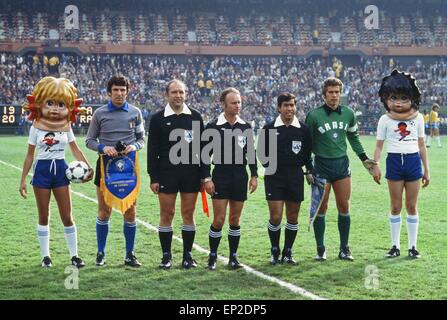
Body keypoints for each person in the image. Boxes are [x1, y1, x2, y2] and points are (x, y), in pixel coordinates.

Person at [19, 76, 93, 268]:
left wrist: (88, 167)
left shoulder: (66, 126)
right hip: (42, 171)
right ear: (39, 103)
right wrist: (23, 180)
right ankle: (45, 256)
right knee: (44, 216)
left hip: (61, 170)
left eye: (61, 104)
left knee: (67, 216)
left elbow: (75, 149)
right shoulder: (35, 128)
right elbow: (29, 155)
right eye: (49, 103)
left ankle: (74, 256)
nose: (54, 108)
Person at [305, 77, 378, 261]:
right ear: (324, 95)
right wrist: (308, 167)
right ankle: (320, 249)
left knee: (344, 206)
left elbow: (353, 138)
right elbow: (307, 144)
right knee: (322, 207)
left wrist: (364, 159)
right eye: (330, 92)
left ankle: (344, 248)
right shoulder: (314, 116)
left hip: (342, 165)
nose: (334, 95)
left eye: (337, 92)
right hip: (321, 165)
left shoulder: (349, 113)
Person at [86, 75, 145, 268]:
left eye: (123, 90)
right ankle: (101, 253)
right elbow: (89, 141)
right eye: (116, 90)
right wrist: (103, 148)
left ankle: (130, 254)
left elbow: (142, 139)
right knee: (104, 212)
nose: (119, 94)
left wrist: (135, 146)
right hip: (105, 168)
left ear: (127, 92)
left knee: (130, 212)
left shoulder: (135, 113)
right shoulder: (99, 114)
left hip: (128, 168)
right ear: (109, 92)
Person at [148, 79, 207, 270]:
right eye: (174, 92)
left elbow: (204, 149)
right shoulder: (158, 119)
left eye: (181, 92)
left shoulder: (196, 117)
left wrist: (204, 176)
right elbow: (152, 150)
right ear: (167, 95)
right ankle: (166, 256)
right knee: (167, 213)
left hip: (191, 173)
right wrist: (153, 177)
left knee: (188, 214)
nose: (178, 96)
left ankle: (187, 256)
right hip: (166, 173)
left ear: (186, 94)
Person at [373, 70, 430, 259]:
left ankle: (413, 247)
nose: (398, 102)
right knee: (396, 206)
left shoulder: (419, 118)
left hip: (413, 161)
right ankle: (395, 246)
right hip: (395, 161)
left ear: (412, 99)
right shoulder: (385, 119)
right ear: (385, 99)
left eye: (404, 98)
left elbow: (422, 145)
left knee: (412, 206)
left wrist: (426, 169)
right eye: (393, 98)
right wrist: (376, 164)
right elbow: (379, 146)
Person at [203, 87, 258, 270]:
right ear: (223, 104)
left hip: (240, 177)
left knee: (235, 219)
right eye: (233, 102)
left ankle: (233, 258)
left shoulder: (245, 126)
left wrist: (254, 175)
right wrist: (207, 178)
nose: (237, 106)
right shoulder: (213, 126)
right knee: (219, 219)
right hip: (220, 176)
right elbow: (204, 155)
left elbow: (251, 153)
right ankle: (212, 256)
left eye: (239, 102)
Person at [261, 93, 313, 265]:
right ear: (279, 108)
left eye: (292, 105)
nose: (289, 108)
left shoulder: (303, 129)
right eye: (286, 105)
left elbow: (307, 155)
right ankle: (274, 250)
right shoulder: (269, 128)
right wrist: (272, 164)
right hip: (274, 177)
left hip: (295, 177)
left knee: (292, 217)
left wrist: (309, 171)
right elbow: (261, 153)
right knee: (275, 217)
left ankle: (288, 252)